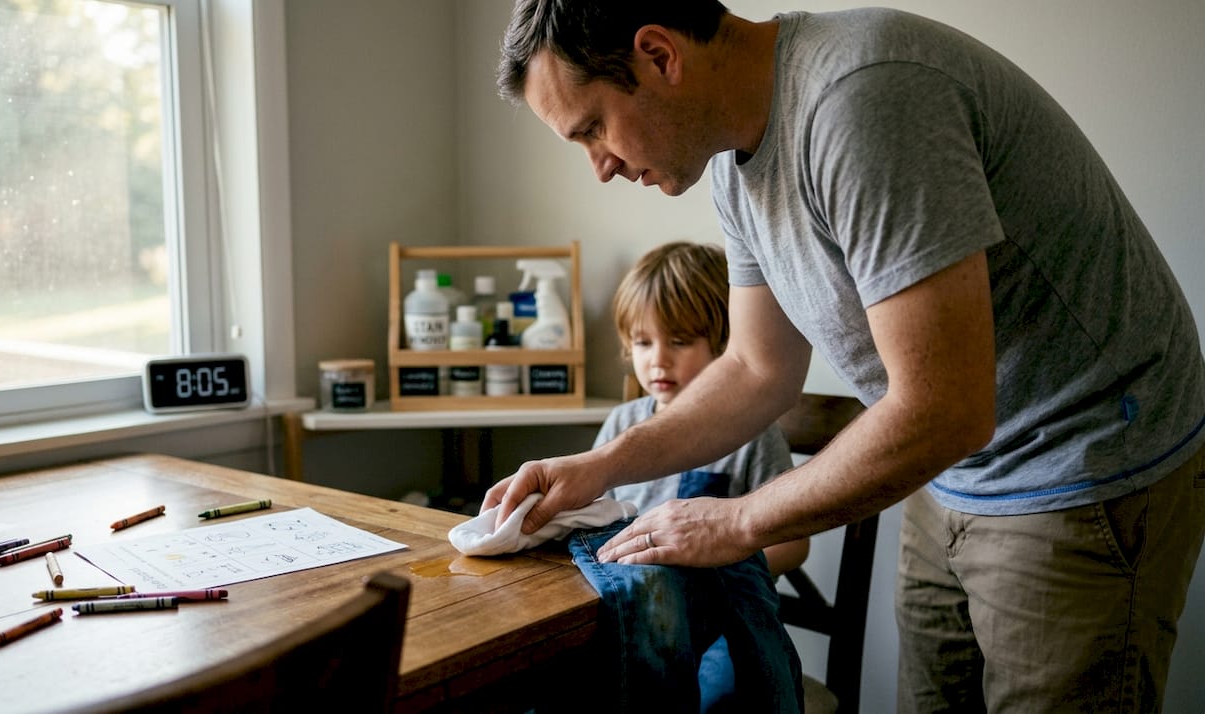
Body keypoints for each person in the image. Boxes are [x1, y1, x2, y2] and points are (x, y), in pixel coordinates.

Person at [482, 2, 1205, 712]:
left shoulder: (862, 101)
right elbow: (755, 369)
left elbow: (945, 408)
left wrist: (735, 522)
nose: (600, 167)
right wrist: (601, 467)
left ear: (660, 55)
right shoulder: (734, 159)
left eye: (593, 129)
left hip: (1084, 463)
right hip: (954, 466)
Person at [576, 240, 808, 712]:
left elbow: (793, 543)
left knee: (723, 700)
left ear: (723, 341)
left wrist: (718, 555)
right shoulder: (621, 426)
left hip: (726, 626)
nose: (657, 360)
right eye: (642, 342)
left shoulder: (752, 433)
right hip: (636, 620)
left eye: (679, 341)